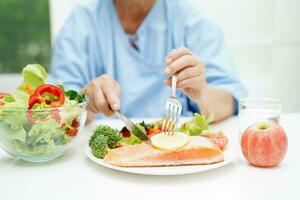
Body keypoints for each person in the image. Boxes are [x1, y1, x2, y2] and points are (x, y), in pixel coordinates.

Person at [50, 0, 246, 124]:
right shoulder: (81, 22)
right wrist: (86, 101)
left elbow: (230, 101)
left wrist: (201, 93)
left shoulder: (192, 20)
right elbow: (54, 111)